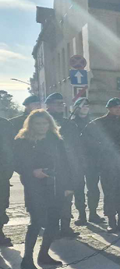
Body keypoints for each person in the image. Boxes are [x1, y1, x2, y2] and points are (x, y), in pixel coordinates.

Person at [14, 110, 74, 269]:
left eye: (45, 123)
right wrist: (32, 172)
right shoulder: (22, 141)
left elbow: (65, 163)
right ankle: (27, 259)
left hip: (55, 186)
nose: (42, 126)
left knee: (53, 222)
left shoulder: (56, 139)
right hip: (35, 187)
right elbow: (16, 163)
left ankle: (44, 254)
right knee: (37, 222)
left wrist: (68, 186)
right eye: (38, 123)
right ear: (31, 124)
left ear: (50, 124)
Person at [82, 98, 120, 232]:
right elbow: (87, 143)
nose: (119, 109)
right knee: (110, 192)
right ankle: (111, 221)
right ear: (109, 108)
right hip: (107, 163)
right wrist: (102, 150)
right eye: (116, 107)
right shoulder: (98, 124)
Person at [44, 93, 80, 239]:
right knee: (50, 200)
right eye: (57, 103)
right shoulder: (42, 121)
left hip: (67, 165)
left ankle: (65, 227)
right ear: (49, 105)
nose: (60, 105)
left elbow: (76, 145)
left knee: (67, 197)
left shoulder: (68, 123)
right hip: (49, 166)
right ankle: (51, 228)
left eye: (62, 103)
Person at [71, 97, 102, 225]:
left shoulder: (93, 123)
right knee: (78, 188)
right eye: (83, 105)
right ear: (77, 107)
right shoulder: (71, 123)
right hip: (77, 160)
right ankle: (81, 215)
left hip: (92, 160)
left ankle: (93, 213)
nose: (85, 108)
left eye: (87, 106)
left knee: (93, 188)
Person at [0, 115, 13, 246]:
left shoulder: (4, 124)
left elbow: (11, 148)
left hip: (2, 175)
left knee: (2, 205)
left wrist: (8, 171)